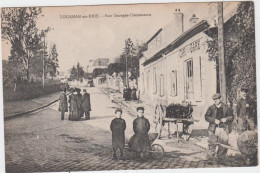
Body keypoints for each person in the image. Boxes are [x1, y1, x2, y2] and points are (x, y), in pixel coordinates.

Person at [205, 93, 234, 159]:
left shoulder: (226, 107)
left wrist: (226, 119)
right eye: (214, 100)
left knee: (223, 144)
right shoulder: (211, 107)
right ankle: (209, 158)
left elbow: (232, 117)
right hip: (213, 128)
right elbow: (206, 117)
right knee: (212, 143)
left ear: (220, 99)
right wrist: (213, 120)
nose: (215, 101)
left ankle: (221, 158)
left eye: (216, 99)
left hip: (223, 128)